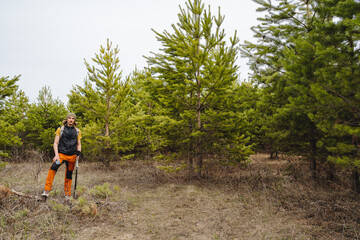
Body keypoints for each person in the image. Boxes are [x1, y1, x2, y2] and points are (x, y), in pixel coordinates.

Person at [42, 113, 82, 199]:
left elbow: (79, 144)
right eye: (69, 118)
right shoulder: (60, 129)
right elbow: (55, 143)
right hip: (61, 155)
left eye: (73, 118)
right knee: (52, 170)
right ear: (66, 119)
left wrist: (78, 153)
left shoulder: (78, 131)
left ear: (74, 120)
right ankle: (46, 191)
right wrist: (56, 155)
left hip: (72, 156)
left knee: (69, 175)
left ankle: (67, 195)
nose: (71, 120)